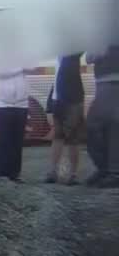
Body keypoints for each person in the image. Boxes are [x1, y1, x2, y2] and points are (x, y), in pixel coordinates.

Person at [45, 53, 85, 184]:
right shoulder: (58, 57)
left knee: (72, 138)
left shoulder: (73, 52)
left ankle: (73, 175)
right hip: (58, 100)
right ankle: (52, 172)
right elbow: (56, 79)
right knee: (58, 136)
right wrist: (50, 102)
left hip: (73, 100)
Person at [85, 44, 119, 188]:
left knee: (112, 127)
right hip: (101, 83)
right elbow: (88, 58)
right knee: (94, 127)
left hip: (114, 82)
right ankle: (106, 169)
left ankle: (113, 172)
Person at [0, 66, 30, 182]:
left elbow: (32, 67)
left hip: (21, 103)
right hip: (1, 103)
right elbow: (0, 71)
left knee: (17, 141)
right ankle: (2, 174)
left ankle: (15, 173)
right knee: (3, 140)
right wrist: (20, 67)